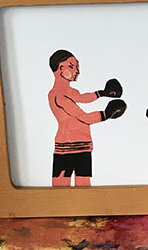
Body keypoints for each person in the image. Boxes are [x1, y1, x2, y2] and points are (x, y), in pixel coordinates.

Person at [47, 50, 126, 187]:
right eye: (72, 66)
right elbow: (84, 118)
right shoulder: (58, 95)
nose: (77, 71)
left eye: (77, 67)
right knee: (61, 186)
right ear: (60, 68)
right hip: (66, 147)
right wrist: (106, 114)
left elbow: (83, 98)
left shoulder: (70, 91)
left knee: (84, 184)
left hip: (83, 144)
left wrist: (102, 93)